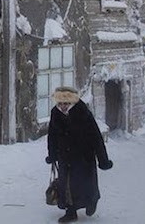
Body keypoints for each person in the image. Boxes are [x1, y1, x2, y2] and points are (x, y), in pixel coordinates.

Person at [46, 86, 113, 222]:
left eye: (66, 103)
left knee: (86, 184)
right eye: (60, 103)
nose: (63, 107)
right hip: (64, 157)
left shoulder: (83, 113)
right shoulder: (55, 113)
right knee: (67, 185)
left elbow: (96, 137)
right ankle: (71, 212)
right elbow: (52, 136)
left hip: (84, 157)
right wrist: (52, 154)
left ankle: (91, 202)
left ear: (72, 102)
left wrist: (103, 160)